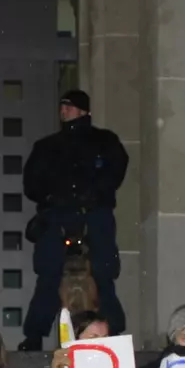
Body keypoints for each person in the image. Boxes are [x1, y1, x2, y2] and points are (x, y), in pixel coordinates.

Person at [19, 88, 129, 349]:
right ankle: (34, 335)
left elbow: (115, 172)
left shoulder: (105, 142)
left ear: (82, 110)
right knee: (49, 276)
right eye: (62, 106)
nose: (64, 110)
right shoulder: (47, 147)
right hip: (57, 217)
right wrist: (57, 196)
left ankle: (112, 331)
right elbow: (32, 184)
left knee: (102, 275)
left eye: (69, 106)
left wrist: (92, 193)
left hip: (94, 216)